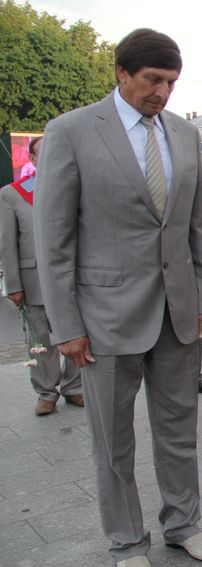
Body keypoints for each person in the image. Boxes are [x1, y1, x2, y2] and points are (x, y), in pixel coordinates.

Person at [33, 29, 202, 567]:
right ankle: (125, 541)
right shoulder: (70, 132)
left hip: (178, 313)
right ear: (121, 72)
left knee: (178, 429)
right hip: (103, 317)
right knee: (113, 439)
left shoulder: (185, 135)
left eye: (170, 83)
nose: (162, 93)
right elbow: (55, 238)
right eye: (152, 81)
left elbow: (198, 228)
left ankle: (183, 523)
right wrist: (65, 325)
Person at [0, 136, 83, 416]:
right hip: (34, 278)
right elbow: (7, 243)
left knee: (77, 332)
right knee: (40, 340)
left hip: (74, 277)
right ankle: (46, 392)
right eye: (42, 154)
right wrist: (13, 284)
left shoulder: (74, 188)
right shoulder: (14, 194)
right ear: (32, 160)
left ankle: (74, 387)